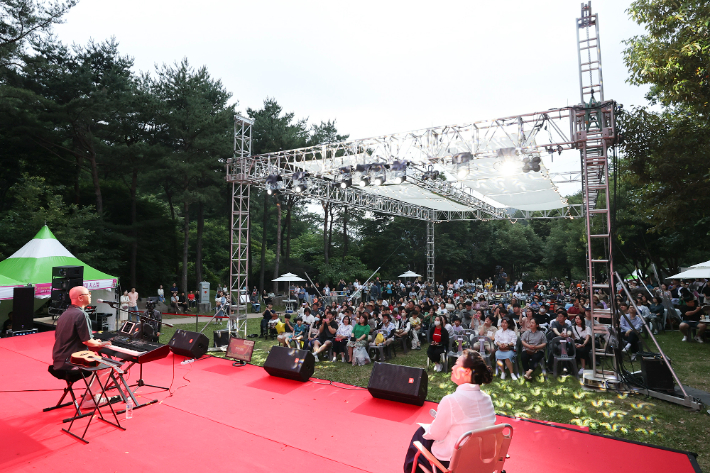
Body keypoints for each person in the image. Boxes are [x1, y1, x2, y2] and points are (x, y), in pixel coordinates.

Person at [403, 350, 495, 473]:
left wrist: (431, 427)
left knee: (420, 435)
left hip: (455, 464)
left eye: (456, 363)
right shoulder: (487, 399)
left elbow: (436, 434)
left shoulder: (451, 400)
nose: (452, 367)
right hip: (481, 462)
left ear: (466, 371)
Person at [52, 286, 112, 407]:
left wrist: (94, 341)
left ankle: (93, 395)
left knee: (94, 361)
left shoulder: (65, 314)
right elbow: (87, 341)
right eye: (88, 293)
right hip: (71, 362)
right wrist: (102, 343)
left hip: (59, 359)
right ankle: (89, 399)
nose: (90, 295)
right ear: (80, 297)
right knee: (107, 367)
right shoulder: (81, 315)